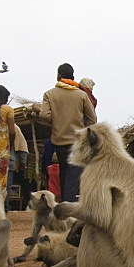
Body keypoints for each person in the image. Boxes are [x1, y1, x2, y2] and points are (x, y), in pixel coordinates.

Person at [39, 63, 97, 202]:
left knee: (63, 172)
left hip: (59, 140)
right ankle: (69, 205)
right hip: (77, 141)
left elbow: (44, 115)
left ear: (58, 76)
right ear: (73, 77)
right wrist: (82, 130)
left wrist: (57, 123)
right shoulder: (81, 95)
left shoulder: (49, 94)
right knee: (74, 174)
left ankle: (65, 204)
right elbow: (92, 119)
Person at [6, 121, 29, 210]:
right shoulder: (13, 127)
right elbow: (23, 148)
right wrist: (23, 163)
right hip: (7, 162)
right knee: (5, 187)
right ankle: (4, 208)